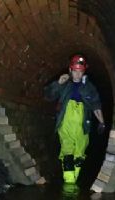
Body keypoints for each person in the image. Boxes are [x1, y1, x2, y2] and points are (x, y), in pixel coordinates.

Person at [44, 54, 106, 184]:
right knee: (67, 152)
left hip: (83, 125)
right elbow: (48, 95)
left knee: (79, 155)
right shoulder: (64, 83)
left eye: (80, 71)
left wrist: (101, 122)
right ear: (70, 70)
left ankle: (73, 181)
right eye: (75, 71)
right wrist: (58, 83)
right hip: (65, 122)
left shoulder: (89, 87)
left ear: (84, 71)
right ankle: (69, 184)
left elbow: (96, 105)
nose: (77, 75)